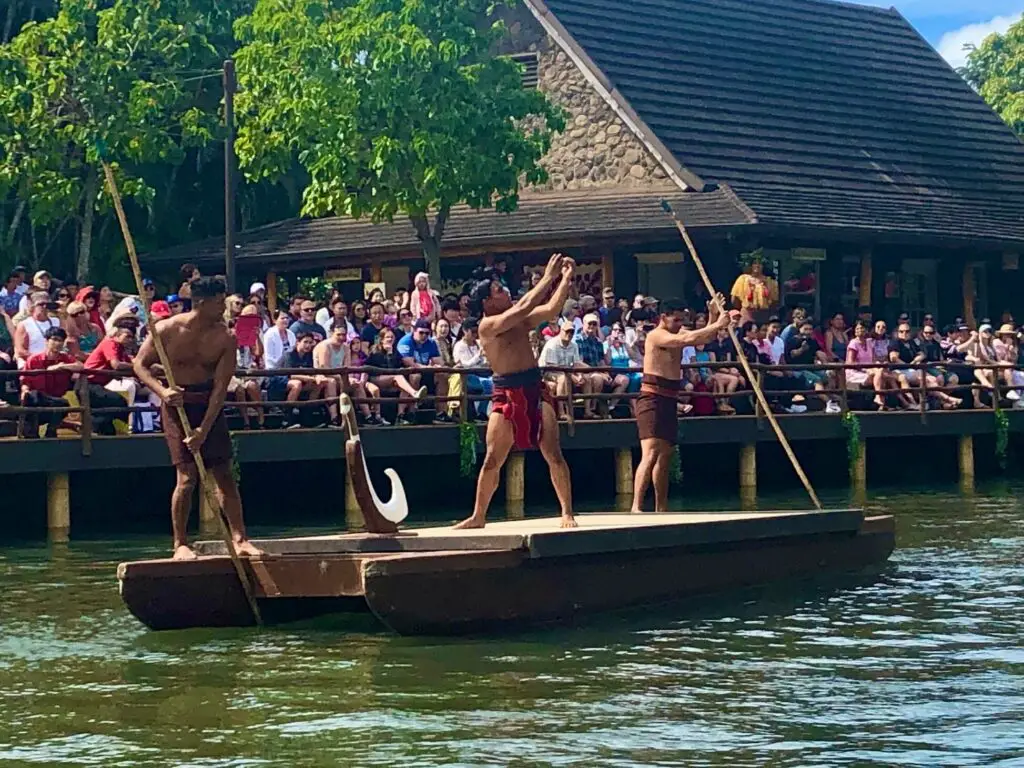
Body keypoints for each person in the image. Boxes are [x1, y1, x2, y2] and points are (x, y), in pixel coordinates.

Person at [132, 276, 261, 561]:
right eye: (219, 303)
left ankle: (240, 538)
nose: (224, 309)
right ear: (201, 303)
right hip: (177, 405)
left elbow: (221, 387)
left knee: (224, 474)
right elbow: (139, 365)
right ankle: (180, 543)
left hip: (209, 405)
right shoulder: (166, 329)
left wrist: (204, 428)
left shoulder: (225, 337)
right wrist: (163, 391)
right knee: (187, 478)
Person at [454, 253, 578, 530]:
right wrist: (548, 276)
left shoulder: (519, 320)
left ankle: (567, 512)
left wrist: (565, 279)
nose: (506, 291)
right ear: (487, 302)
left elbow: (550, 310)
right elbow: (522, 306)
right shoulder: (487, 326)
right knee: (492, 459)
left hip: (534, 387)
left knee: (553, 453)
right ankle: (478, 516)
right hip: (506, 392)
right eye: (499, 290)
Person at [632, 297, 737, 513]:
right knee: (650, 452)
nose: (680, 324)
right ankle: (636, 507)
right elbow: (685, 340)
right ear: (663, 317)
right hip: (652, 397)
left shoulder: (678, 332)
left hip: (670, 398)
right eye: (676, 320)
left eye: (682, 320)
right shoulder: (656, 335)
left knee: (665, 454)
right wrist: (717, 323)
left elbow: (703, 339)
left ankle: (661, 508)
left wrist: (713, 315)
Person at [20, 327, 81, 438]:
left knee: (63, 404)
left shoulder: (65, 358)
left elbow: (80, 366)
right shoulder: (34, 360)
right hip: (37, 400)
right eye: (54, 339)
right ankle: (32, 434)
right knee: (33, 396)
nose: (58, 343)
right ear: (46, 341)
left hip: (54, 401)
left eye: (61, 340)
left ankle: (50, 433)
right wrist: (25, 391)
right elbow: (25, 381)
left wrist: (60, 366)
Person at [13, 292, 61, 368]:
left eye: (47, 304)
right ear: (32, 306)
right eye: (41, 304)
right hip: (34, 363)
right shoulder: (24, 324)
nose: (45, 307)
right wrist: (42, 359)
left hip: (55, 362)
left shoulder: (56, 321)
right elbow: (21, 351)